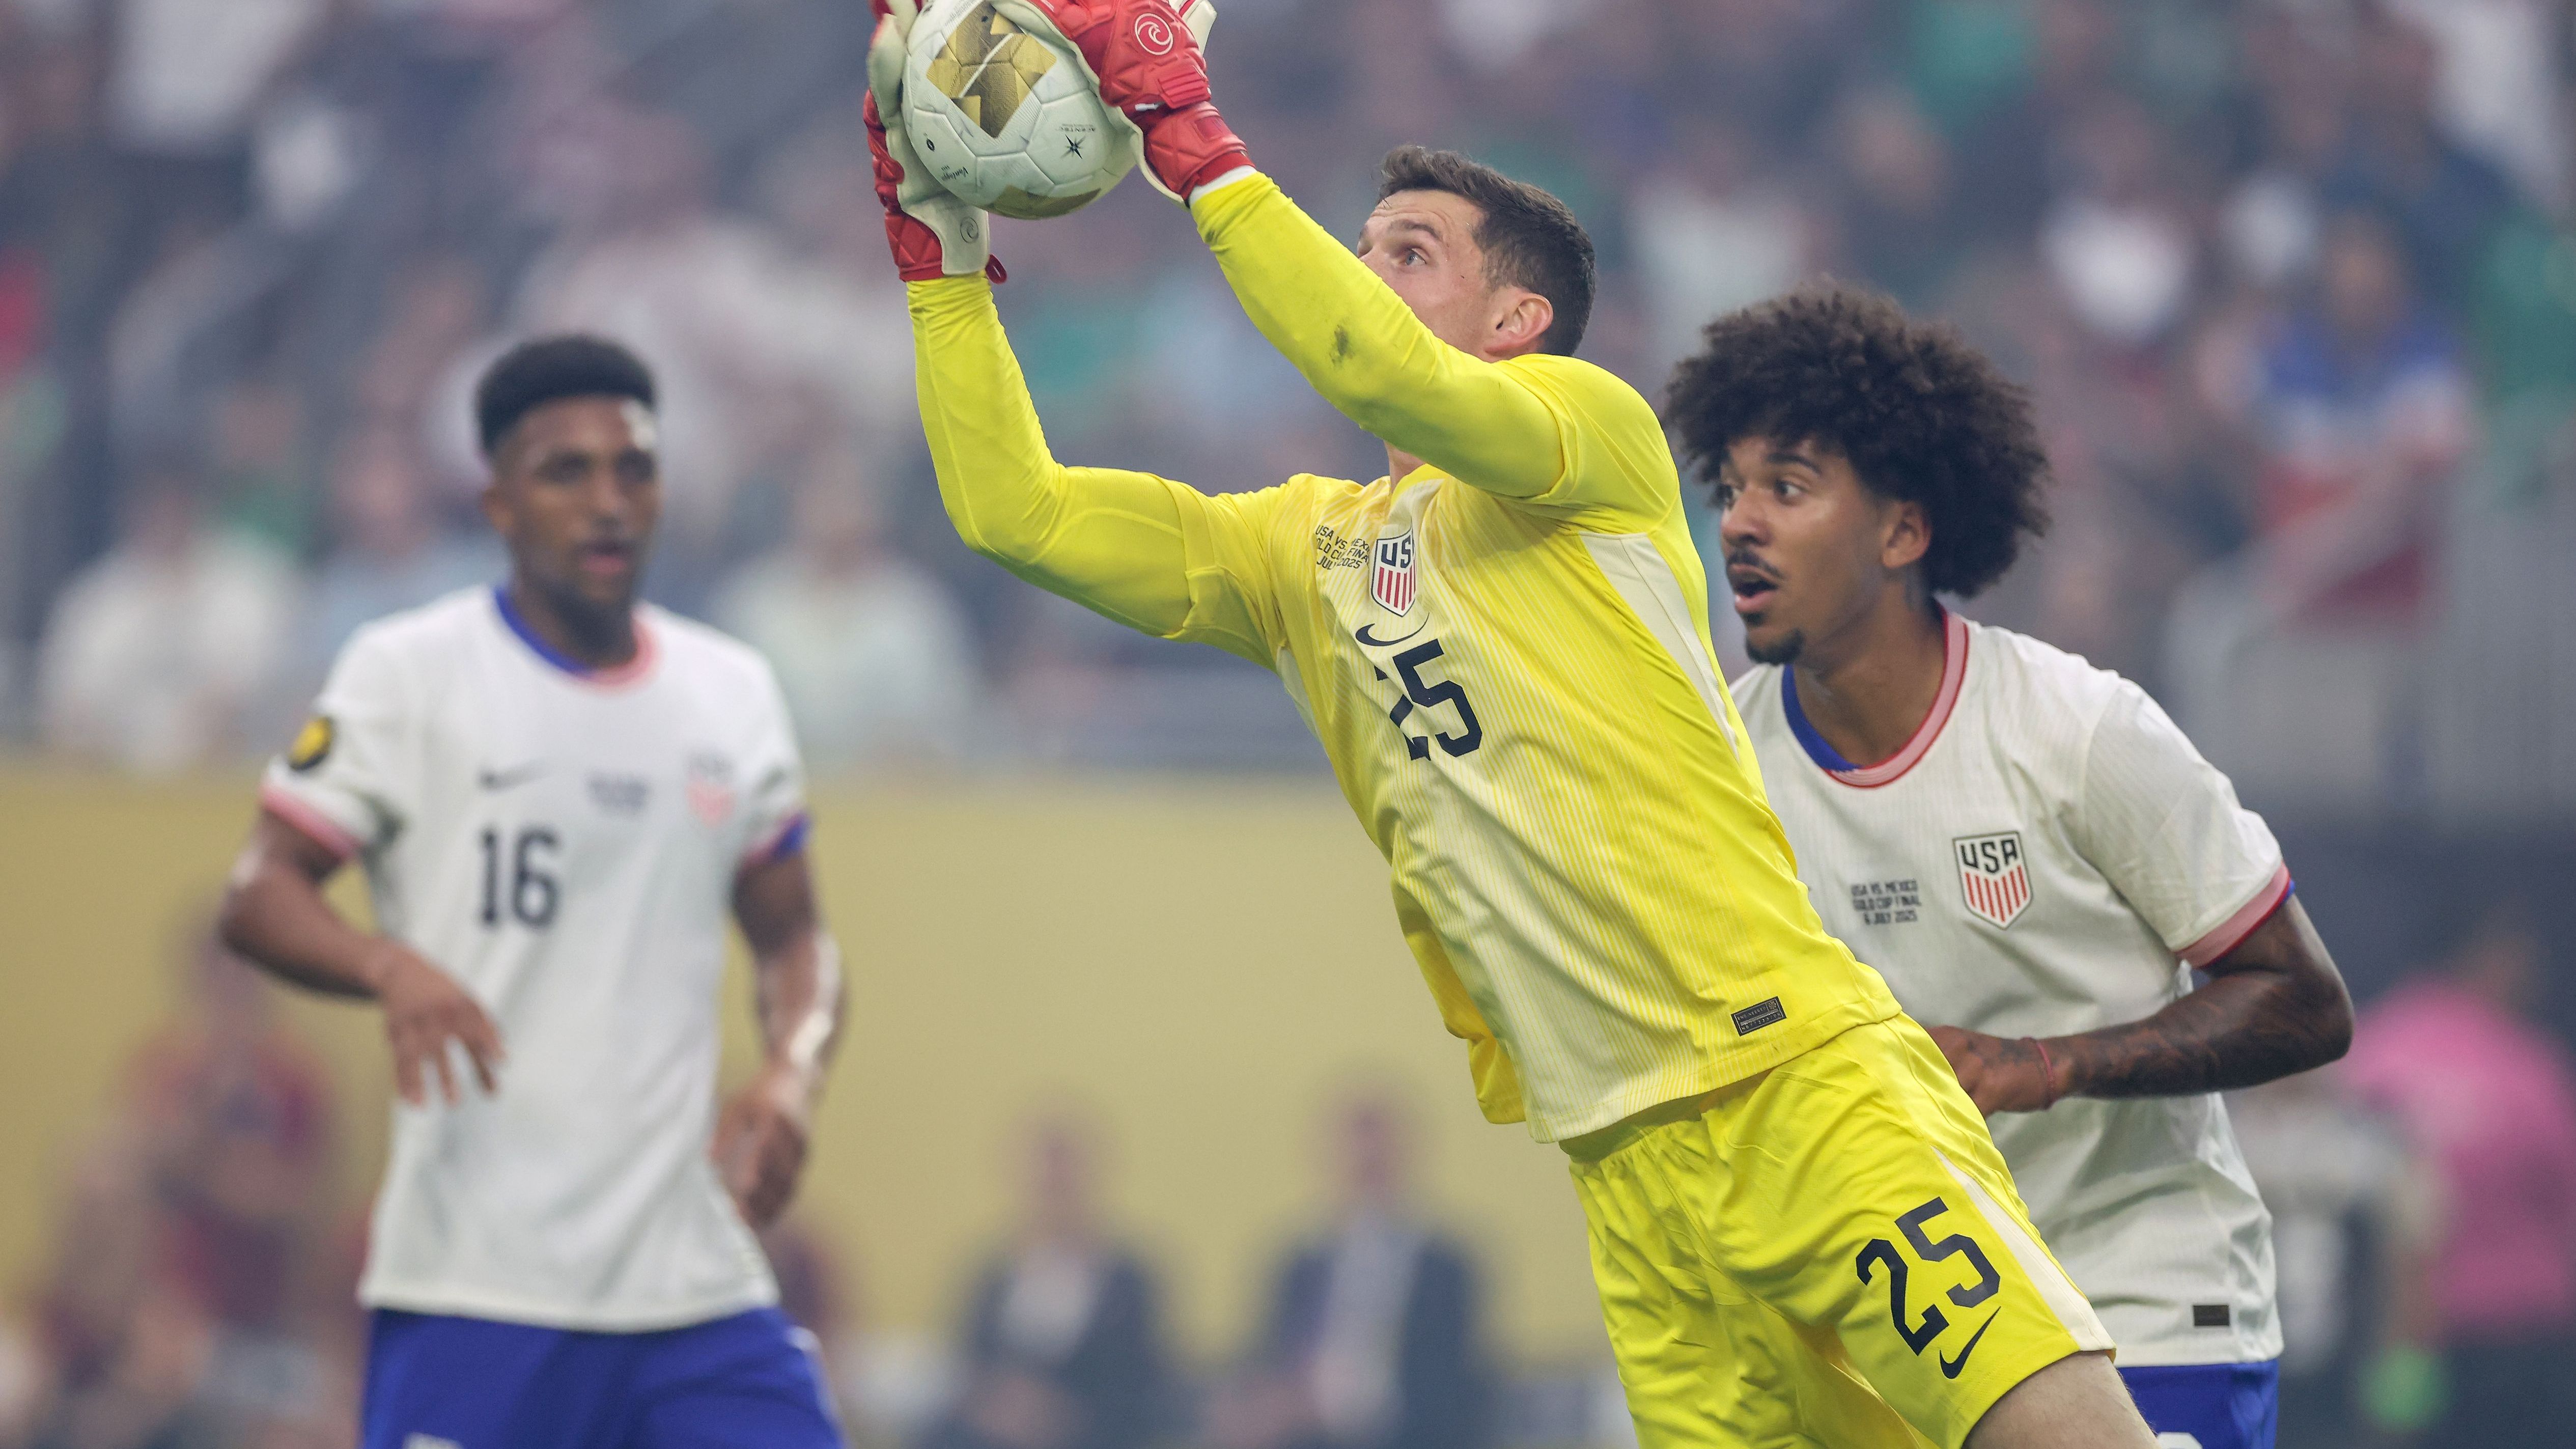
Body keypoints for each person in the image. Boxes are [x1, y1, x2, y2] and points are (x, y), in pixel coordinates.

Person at [861, 3, 2153, 1443]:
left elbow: (1371, 368)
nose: (1363, 271)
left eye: (1409, 252)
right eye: (1361, 248)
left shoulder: (1587, 438)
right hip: (1619, 1166)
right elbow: (1015, 513)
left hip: (1791, 1084)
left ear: (1516, 320)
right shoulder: (1296, 550)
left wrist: (1192, 139)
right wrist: (940, 264)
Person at [1668, 285, 2355, 1449]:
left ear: (1901, 531)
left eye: (1785, 486)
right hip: (1910, 1333)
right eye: (1728, 488)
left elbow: (2302, 1001)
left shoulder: (2078, 729)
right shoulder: (1720, 769)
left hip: (2144, 1311)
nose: (1738, 521)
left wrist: (2047, 1063)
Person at [215, 335, 848, 1449]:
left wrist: (792, 1070)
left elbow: (796, 933)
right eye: (567, 472)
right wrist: (385, 964)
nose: (608, 501)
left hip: (691, 1289)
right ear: (498, 504)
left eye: (633, 468)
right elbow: (260, 887)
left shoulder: (733, 691)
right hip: (478, 1290)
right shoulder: (409, 673)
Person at [2343, 902, 2576, 1447]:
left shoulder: (2368, 1052)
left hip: (2388, 1338)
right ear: (2486, 955)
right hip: (2520, 1338)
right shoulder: (2525, 1063)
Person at [1242, 1093, 1489, 1449]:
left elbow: (1448, 1389)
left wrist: (1333, 1406)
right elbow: (1270, 1363)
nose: (1366, 1163)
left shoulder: (1446, 1271)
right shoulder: (1298, 1268)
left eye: (1377, 1157)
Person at [923, 1114, 1172, 1449]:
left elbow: (1140, 1385)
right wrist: (999, 1405)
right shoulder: (992, 1279)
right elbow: (966, 1366)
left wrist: (1056, 1416)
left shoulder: (1129, 1283)